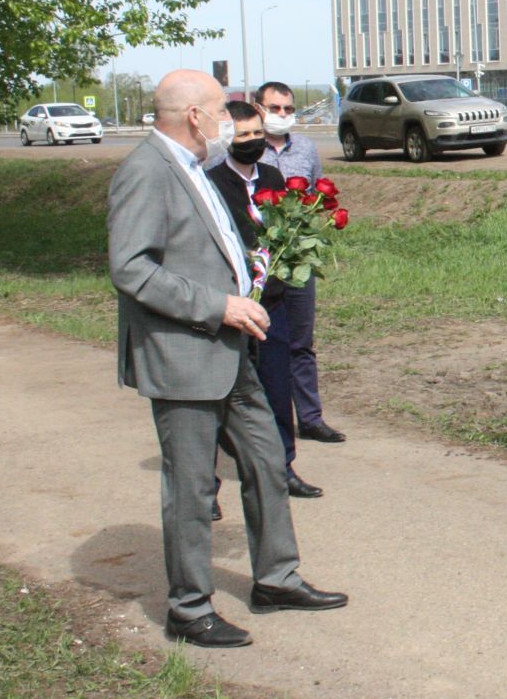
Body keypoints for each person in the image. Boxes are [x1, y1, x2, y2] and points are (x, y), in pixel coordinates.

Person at [107, 69, 346, 648]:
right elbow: (131, 268)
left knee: (266, 460)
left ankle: (275, 579)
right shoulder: (145, 171)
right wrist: (219, 305)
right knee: (191, 487)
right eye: (221, 109)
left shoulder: (192, 168)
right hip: (184, 354)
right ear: (194, 115)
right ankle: (189, 609)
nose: (234, 122)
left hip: (231, 348)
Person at [210, 100, 322, 502]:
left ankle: (283, 468)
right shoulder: (212, 183)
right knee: (220, 399)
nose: (253, 141)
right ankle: (208, 488)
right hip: (229, 308)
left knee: (277, 388)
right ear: (227, 139)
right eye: (243, 136)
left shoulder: (273, 175)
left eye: (258, 133)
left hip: (270, 304)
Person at [256, 80, 344, 445]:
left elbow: (317, 196)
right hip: (260, 262)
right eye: (274, 108)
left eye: (288, 109)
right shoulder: (244, 149)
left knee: (301, 341)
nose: (282, 115)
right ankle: (264, 424)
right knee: (262, 341)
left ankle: (309, 418)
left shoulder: (305, 148)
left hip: (296, 259)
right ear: (258, 108)